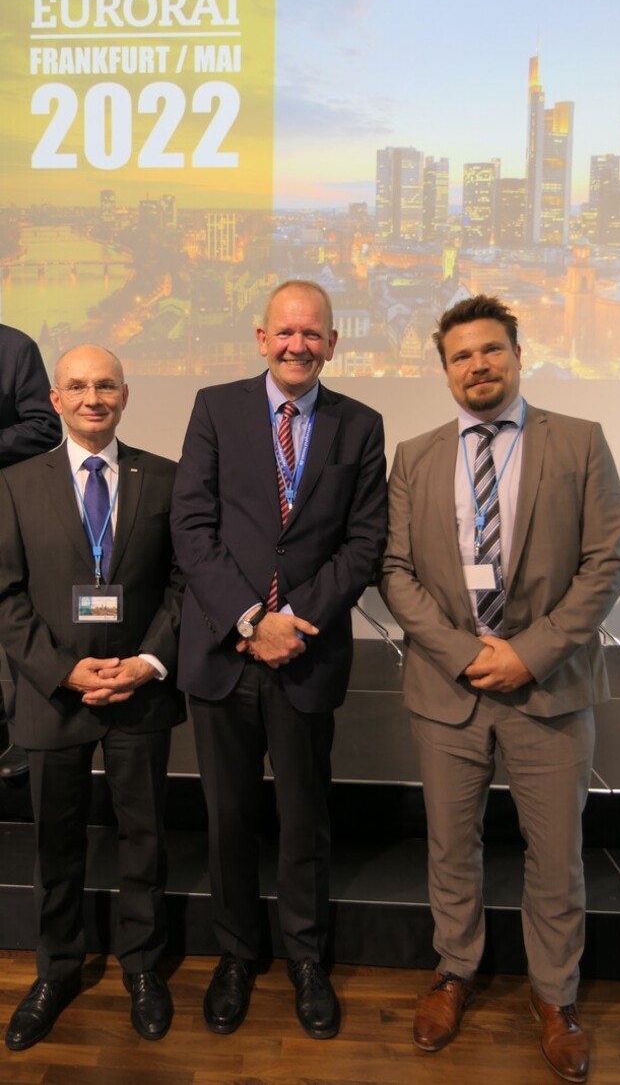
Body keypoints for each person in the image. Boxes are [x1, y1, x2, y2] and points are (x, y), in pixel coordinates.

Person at [379, 295, 620, 1083]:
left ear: (518, 355)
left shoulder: (580, 442)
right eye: (461, 355)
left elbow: (607, 561)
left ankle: (555, 997)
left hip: (547, 688)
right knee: (453, 847)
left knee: (556, 856)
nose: (477, 365)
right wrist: (462, 653)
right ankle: (455, 971)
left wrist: (530, 653)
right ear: (445, 368)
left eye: (491, 350)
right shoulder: (415, 456)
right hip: (448, 689)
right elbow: (396, 573)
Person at [170, 279, 387, 1040]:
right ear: (262, 338)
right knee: (227, 820)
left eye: (314, 334)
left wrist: (295, 620)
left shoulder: (360, 425)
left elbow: (364, 541)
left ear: (333, 343)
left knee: (305, 821)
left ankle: (305, 957)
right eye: (286, 332)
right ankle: (236, 955)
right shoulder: (215, 406)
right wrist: (251, 617)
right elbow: (192, 525)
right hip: (225, 652)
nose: (299, 345)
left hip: (306, 653)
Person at [0, 344, 185, 1052]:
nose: (92, 398)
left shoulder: (163, 478)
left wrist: (145, 661)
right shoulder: (16, 484)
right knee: (56, 841)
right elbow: (6, 598)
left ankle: (142, 966)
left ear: (126, 395)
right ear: (55, 400)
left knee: (143, 837)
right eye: (77, 386)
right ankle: (57, 969)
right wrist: (65, 671)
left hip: (138, 690)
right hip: (55, 694)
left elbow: (181, 586)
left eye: (105, 385)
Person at [0, 323, 62, 779]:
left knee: (13, 618)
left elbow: (44, 427)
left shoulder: (14, 346)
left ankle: (24, 737)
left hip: (4, 508)